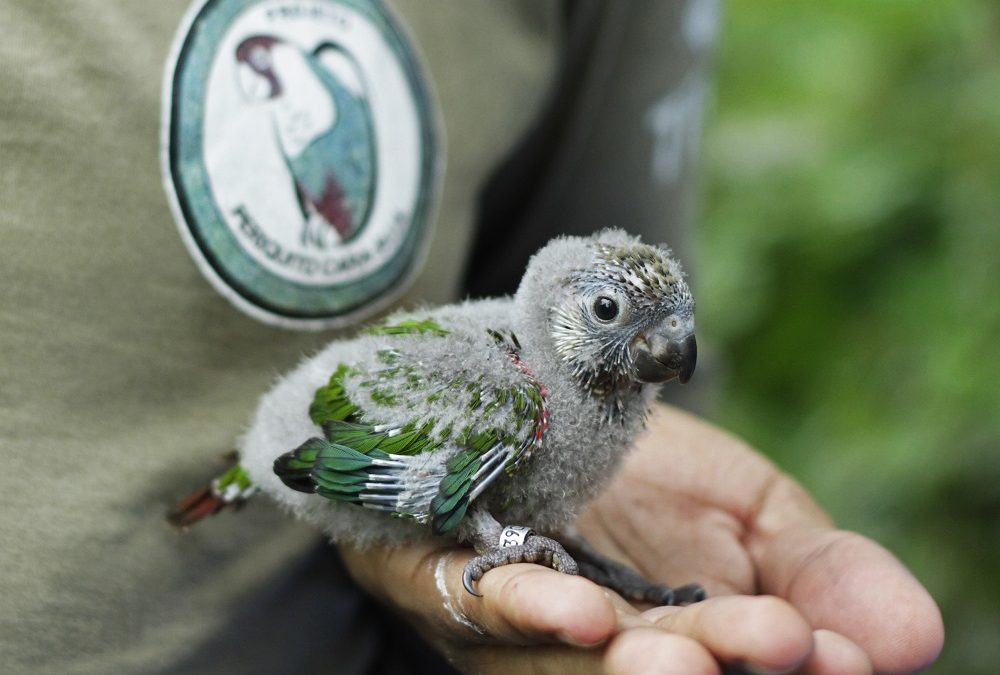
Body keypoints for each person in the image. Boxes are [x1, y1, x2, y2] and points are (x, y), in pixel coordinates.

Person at [0, 1, 942, 673]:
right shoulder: (507, 398)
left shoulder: (592, 393)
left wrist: (610, 562)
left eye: (665, 327)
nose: (665, 350)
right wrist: (481, 526)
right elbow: (330, 455)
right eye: (612, 316)